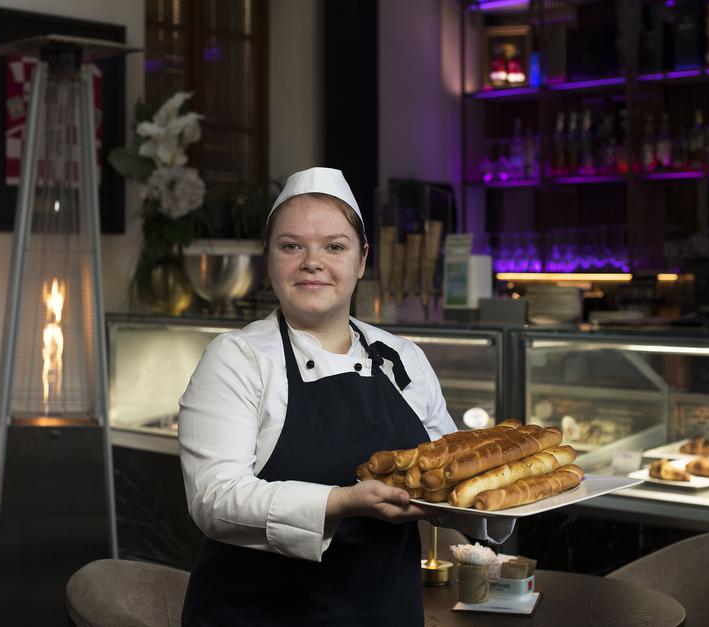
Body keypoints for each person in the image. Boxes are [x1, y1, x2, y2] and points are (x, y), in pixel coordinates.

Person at [178, 167, 513, 626]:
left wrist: (504, 497)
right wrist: (342, 502)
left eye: (334, 246)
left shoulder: (403, 358)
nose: (311, 261)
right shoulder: (237, 358)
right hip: (255, 614)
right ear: (270, 258)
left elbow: (448, 481)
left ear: (361, 260)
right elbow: (214, 500)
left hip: (387, 612)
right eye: (291, 245)